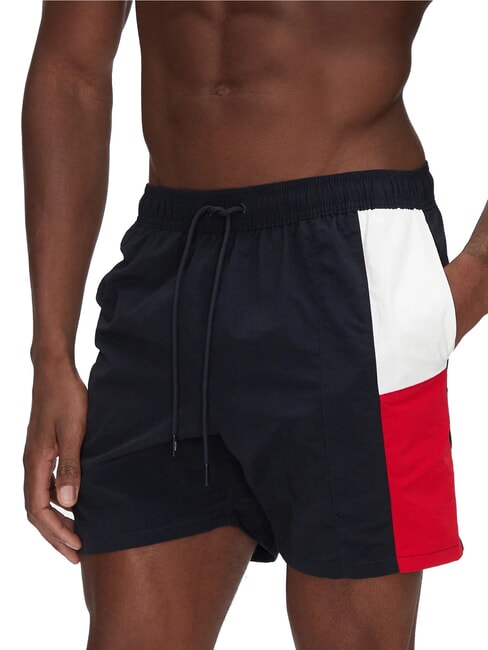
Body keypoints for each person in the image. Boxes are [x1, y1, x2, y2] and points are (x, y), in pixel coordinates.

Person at [21, 1, 488, 648]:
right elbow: (70, 71)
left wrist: (471, 279)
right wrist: (51, 354)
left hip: (353, 258)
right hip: (168, 269)